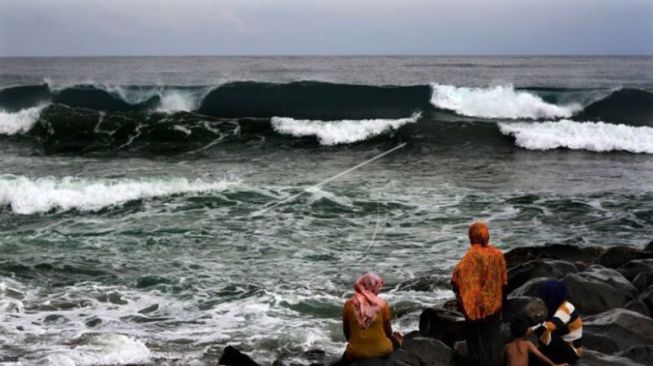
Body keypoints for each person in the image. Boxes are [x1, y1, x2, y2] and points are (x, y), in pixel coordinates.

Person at [452, 221, 508, 366]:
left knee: (477, 346)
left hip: (473, 309)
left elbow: (456, 277)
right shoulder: (498, 255)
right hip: (494, 306)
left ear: (472, 236)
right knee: (492, 343)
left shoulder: (471, 256)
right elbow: (503, 282)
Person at [340, 272, 399, 365]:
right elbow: (388, 331)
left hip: (355, 352)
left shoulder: (349, 304)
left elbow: (346, 331)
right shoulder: (382, 304)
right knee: (396, 342)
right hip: (382, 350)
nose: (379, 290)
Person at [529, 280, 583, 365]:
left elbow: (552, 325)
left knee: (542, 330)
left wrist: (530, 329)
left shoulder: (567, 308)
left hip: (571, 351)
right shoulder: (553, 307)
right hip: (560, 345)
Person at [504, 317, 568, 366]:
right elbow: (541, 357)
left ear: (511, 332)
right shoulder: (527, 344)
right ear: (526, 332)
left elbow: (503, 361)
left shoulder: (507, 347)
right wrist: (554, 365)